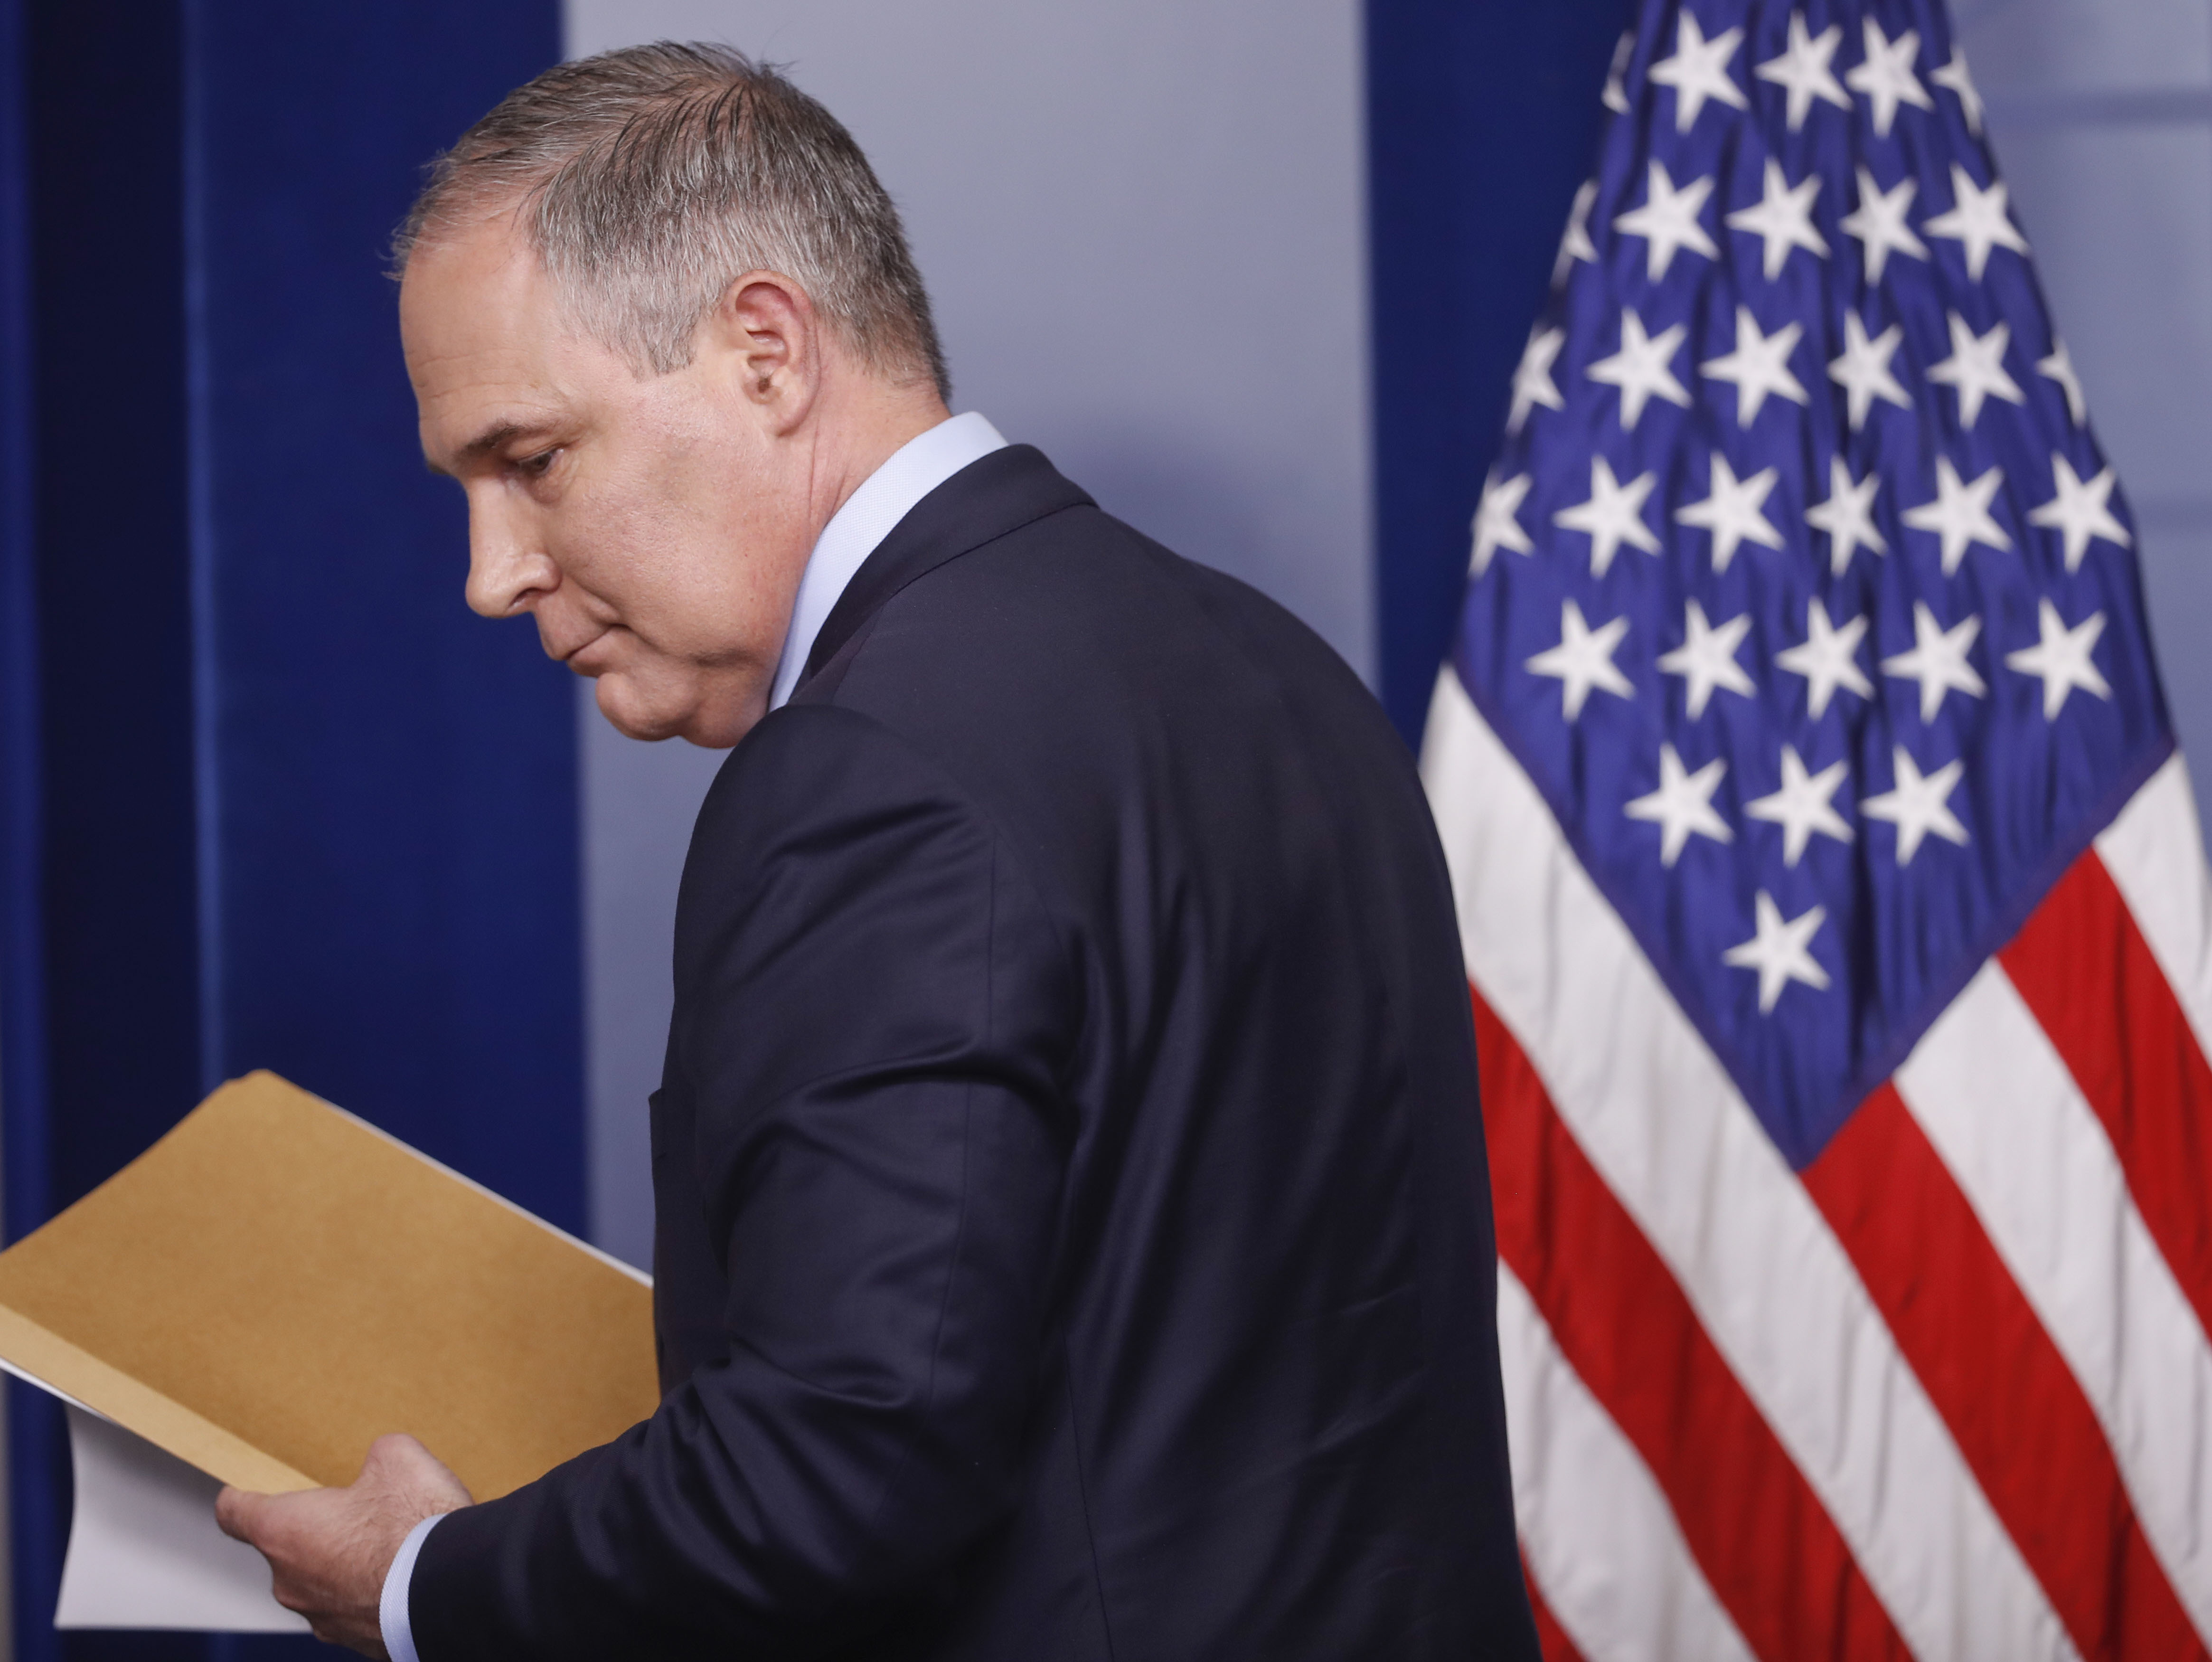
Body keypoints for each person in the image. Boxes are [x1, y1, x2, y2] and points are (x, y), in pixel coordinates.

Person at [215, 42, 1537, 1661]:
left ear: (764, 351)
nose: (494, 572)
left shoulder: (861, 767)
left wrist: (428, 1579)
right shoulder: (1279, 669)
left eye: (532, 460)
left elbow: (839, 1459)